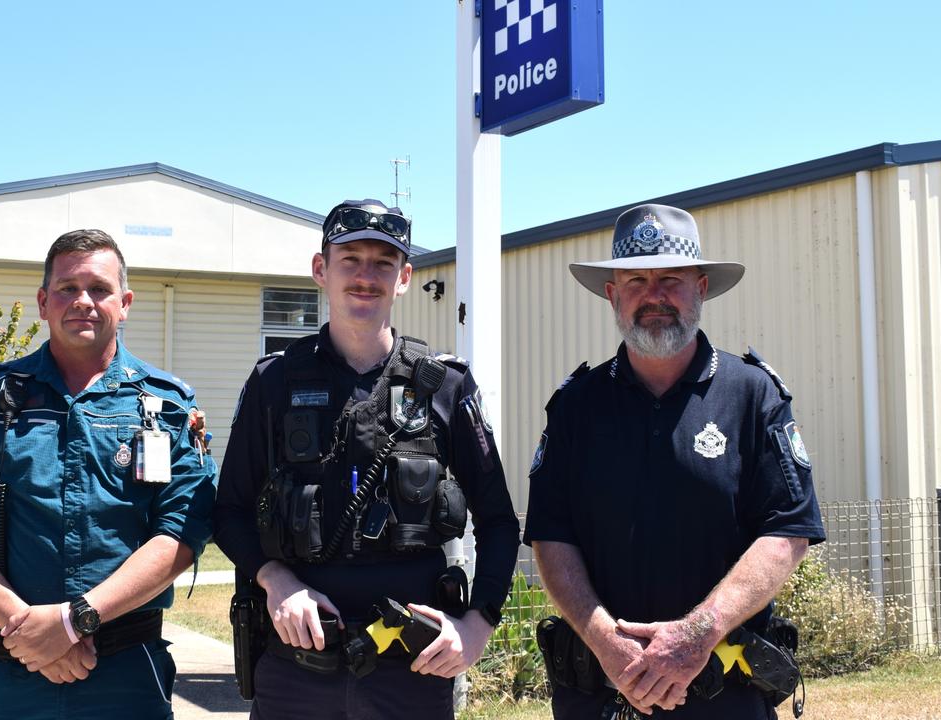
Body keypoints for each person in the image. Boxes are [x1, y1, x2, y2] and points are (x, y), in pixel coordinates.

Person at [213, 199, 521, 719]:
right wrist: (276, 580)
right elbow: (228, 513)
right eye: (350, 259)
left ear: (404, 278)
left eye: (383, 262)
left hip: (412, 673)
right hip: (296, 673)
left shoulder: (443, 385)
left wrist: (477, 625)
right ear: (321, 270)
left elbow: (499, 523)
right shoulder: (274, 383)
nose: (365, 276)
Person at [523, 204, 826, 719]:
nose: (654, 295)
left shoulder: (753, 396)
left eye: (670, 279)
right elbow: (552, 537)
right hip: (599, 693)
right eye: (636, 280)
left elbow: (787, 532)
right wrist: (606, 642)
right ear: (612, 295)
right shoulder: (576, 407)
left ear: (702, 288)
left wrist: (696, 634)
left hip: (725, 695)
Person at [0, 229, 217, 719]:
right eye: (67, 288)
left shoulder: (166, 408)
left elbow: (181, 535)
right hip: (8, 671)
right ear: (43, 302)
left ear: (124, 303)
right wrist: (29, 630)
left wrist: (72, 621)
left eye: (99, 289)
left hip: (125, 676)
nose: (83, 301)